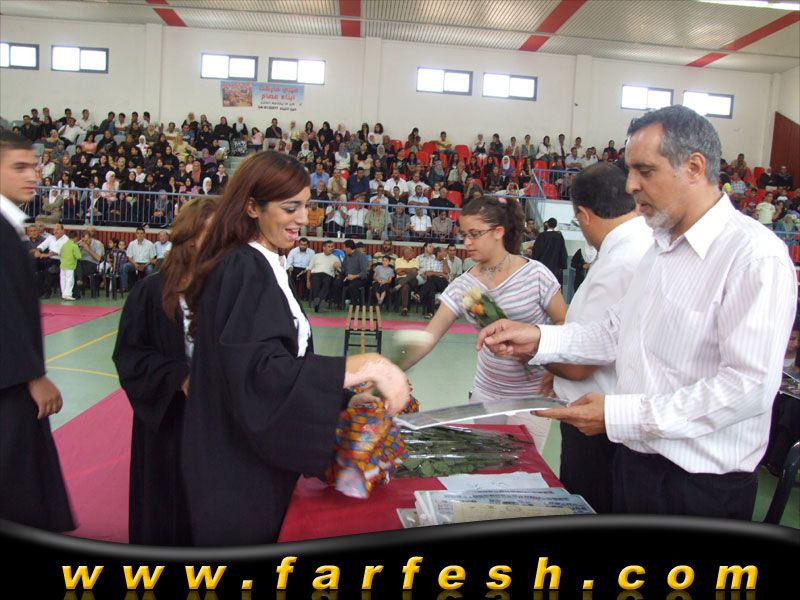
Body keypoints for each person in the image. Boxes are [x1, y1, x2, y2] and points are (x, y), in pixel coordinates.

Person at [477, 105, 796, 519]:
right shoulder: (659, 248)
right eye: (629, 171)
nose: (630, 185)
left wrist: (620, 414)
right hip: (635, 463)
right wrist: (539, 339)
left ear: (694, 167)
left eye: (644, 171)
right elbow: (615, 330)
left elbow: (747, 388)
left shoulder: (753, 256)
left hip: (697, 486)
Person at [180, 151, 410, 545]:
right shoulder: (245, 267)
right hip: (237, 472)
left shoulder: (267, 264)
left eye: (306, 205)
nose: (304, 218)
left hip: (251, 460)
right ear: (252, 207)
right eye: (290, 208)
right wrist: (370, 365)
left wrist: (342, 398)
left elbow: (283, 359)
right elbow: (260, 375)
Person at [403, 195, 568, 450]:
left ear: (498, 232)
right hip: (486, 392)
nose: (467, 242)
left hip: (533, 394)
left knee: (525, 464)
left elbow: (564, 323)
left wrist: (552, 368)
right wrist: (390, 368)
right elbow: (429, 336)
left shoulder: (535, 274)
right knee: (489, 462)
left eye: (475, 234)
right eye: (464, 235)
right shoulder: (464, 285)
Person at [544, 162, 653, 513]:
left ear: (584, 215)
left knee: (589, 506)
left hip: (596, 424)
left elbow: (581, 365)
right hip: (618, 418)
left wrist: (533, 350)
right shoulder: (644, 246)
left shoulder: (619, 262)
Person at [112, 195, 218, 546]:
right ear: (189, 238)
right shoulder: (149, 293)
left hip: (217, 419)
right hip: (169, 420)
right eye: (211, 233)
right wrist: (180, 377)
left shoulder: (225, 290)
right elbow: (130, 356)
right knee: (168, 508)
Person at [0, 131, 75, 532]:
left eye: (34, 166)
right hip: (9, 382)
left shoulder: (10, 226)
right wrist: (33, 375)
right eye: (19, 167)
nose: (33, 175)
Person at [306, 240, 342, 312]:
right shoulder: (316, 256)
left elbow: (340, 273)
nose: (331, 248)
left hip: (328, 275)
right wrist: (308, 281)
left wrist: (337, 268)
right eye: (329, 246)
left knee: (326, 283)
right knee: (315, 283)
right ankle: (319, 303)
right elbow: (309, 269)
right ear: (324, 247)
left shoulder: (336, 258)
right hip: (316, 274)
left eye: (332, 247)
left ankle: (317, 302)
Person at [532, 218, 568, 285]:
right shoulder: (559, 236)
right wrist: (562, 265)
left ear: (547, 224)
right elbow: (562, 252)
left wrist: (533, 262)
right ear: (555, 225)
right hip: (555, 267)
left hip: (542, 266)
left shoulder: (542, 235)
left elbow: (536, 251)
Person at [59, 229, 81, 301]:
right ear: (76, 237)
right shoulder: (74, 246)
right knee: (70, 280)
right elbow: (78, 256)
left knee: (63, 280)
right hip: (70, 265)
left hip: (62, 265)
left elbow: (60, 254)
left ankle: (63, 294)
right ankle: (68, 294)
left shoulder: (64, 245)